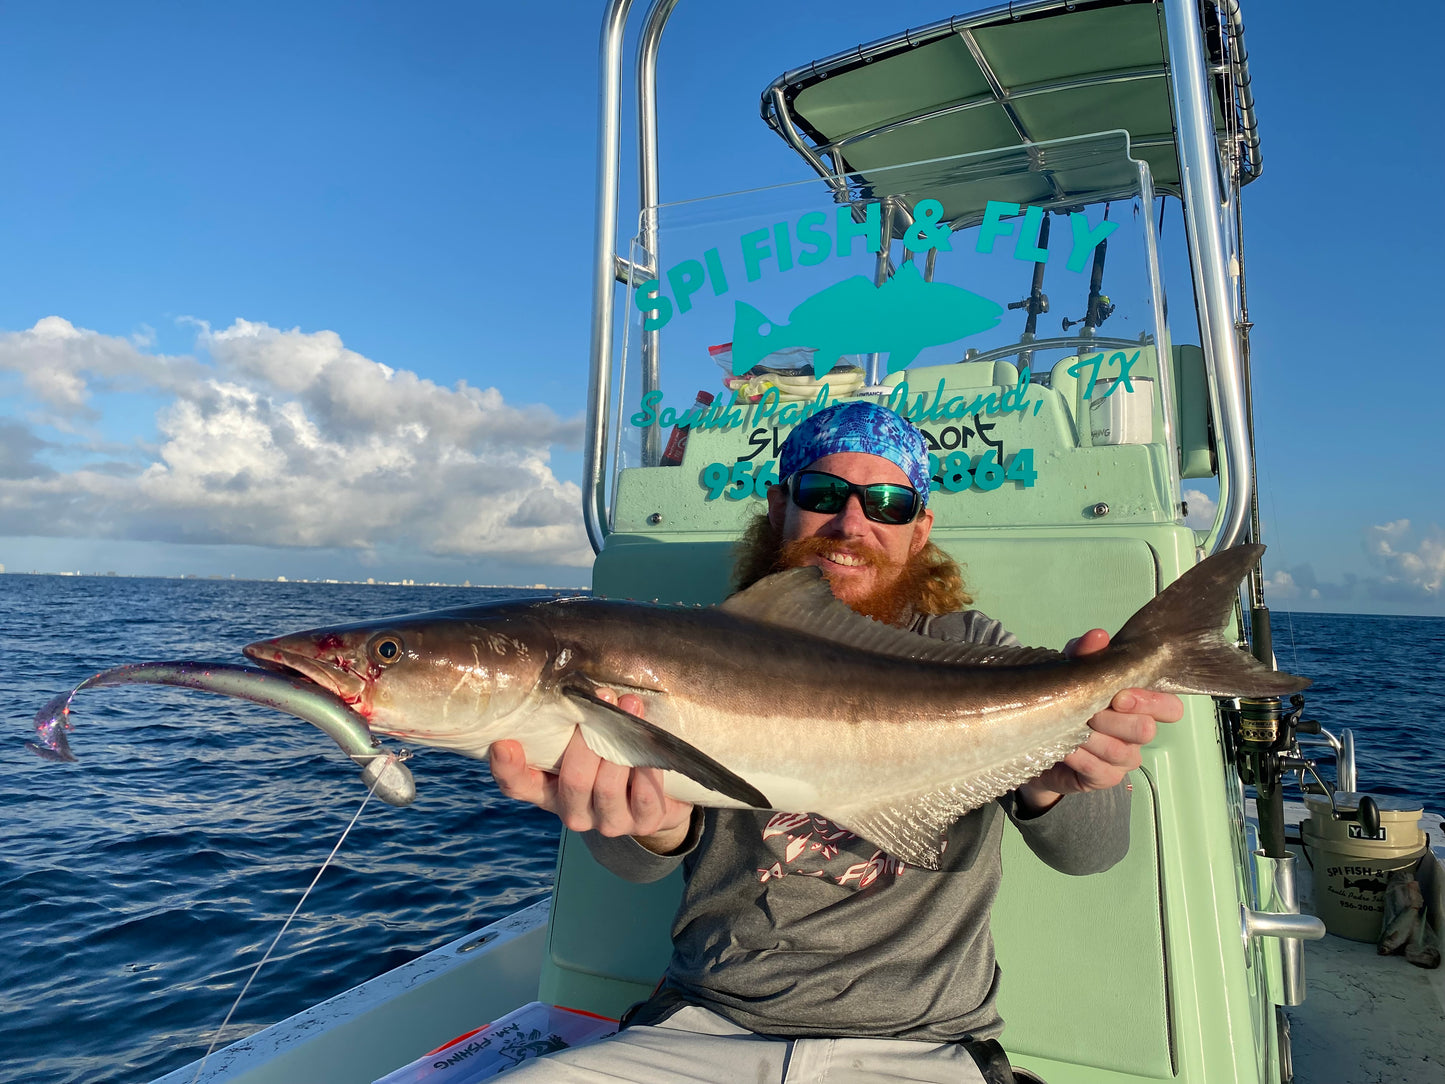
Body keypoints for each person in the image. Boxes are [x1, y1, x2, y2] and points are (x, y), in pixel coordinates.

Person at [488, 400, 1182, 1083]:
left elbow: (1092, 853)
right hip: (706, 1025)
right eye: (823, 494)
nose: (851, 523)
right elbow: (638, 863)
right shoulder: (690, 650)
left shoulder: (976, 653)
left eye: (887, 503)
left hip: (922, 1045)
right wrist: (648, 828)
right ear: (778, 506)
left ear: (920, 529)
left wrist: (1053, 777)